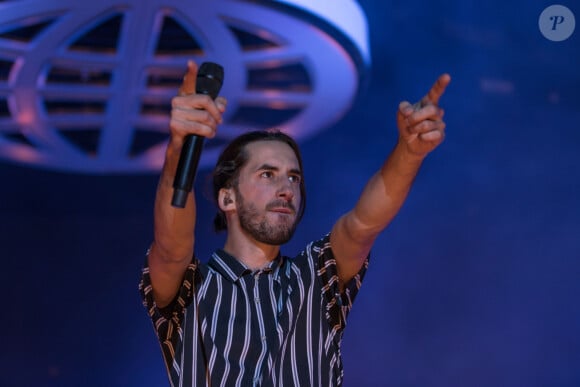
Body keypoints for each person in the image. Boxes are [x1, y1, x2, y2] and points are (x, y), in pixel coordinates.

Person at [139, 60, 451, 387]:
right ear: (227, 198)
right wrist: (178, 148)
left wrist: (410, 152)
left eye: (294, 178)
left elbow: (363, 223)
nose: (287, 188)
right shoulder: (191, 288)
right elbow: (172, 246)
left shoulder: (317, 276)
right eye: (267, 174)